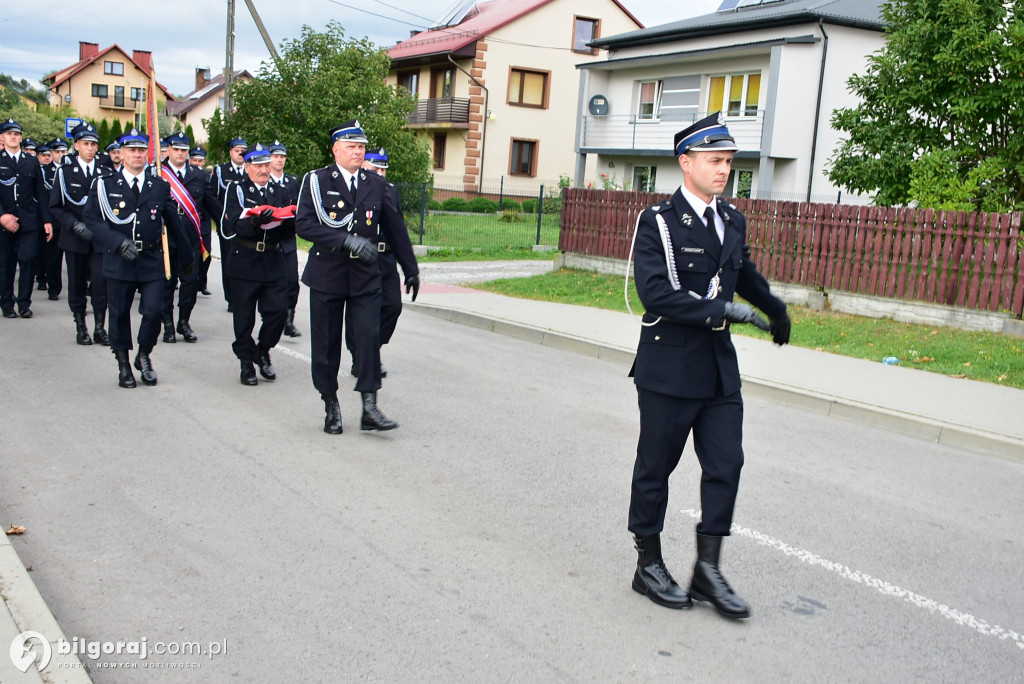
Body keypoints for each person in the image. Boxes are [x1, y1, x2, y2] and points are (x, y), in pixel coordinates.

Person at [627, 113, 791, 620]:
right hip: (669, 368)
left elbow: (744, 274)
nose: (725, 171)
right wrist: (722, 310)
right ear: (686, 162)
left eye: (729, 162)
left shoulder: (732, 220)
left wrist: (774, 306)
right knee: (657, 466)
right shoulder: (657, 222)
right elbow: (655, 293)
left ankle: (708, 568)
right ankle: (648, 564)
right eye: (715, 161)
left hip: (718, 369)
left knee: (727, 464)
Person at [295, 120, 419, 434]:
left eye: (361, 146)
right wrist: (345, 240)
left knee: (367, 339)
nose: (357, 151)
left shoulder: (375, 183)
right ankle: (331, 405)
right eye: (351, 146)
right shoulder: (316, 181)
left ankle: (369, 406)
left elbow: (395, 228)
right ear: (335, 149)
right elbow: (305, 224)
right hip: (328, 273)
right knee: (326, 345)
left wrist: (411, 268)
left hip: (365, 275)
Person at [82, 129, 195, 388]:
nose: (136, 155)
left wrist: (188, 255)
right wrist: (118, 242)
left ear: (148, 153)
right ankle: (123, 363)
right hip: (119, 258)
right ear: (120, 154)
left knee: (155, 310)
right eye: (131, 150)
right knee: (119, 313)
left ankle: (144, 354)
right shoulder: (104, 185)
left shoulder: (158, 185)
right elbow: (92, 219)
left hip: (151, 258)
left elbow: (173, 222)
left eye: (141, 150)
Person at [219, 143, 294, 385]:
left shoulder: (279, 191)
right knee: (243, 317)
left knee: (279, 311)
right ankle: (245, 362)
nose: (264, 170)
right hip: (245, 260)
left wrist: (292, 221)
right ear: (247, 166)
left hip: (272, 259)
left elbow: (287, 225)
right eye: (259, 165)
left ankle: (262, 349)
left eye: (266, 165)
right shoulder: (237, 190)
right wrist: (253, 223)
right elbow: (232, 227)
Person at [347, 147, 418, 378]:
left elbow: (398, 231)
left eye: (383, 169)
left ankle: (371, 350)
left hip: (385, 258)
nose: (380, 173)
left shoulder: (391, 191)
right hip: (361, 258)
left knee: (392, 306)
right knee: (360, 311)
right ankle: (360, 356)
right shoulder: (353, 189)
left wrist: (410, 269)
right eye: (375, 168)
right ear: (363, 167)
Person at [49, 122, 109, 346]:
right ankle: (81, 326)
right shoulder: (64, 172)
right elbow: (55, 206)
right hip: (74, 237)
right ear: (76, 145)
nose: (91, 148)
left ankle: (100, 328)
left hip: (99, 239)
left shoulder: (105, 172)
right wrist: (73, 225)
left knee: (101, 284)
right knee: (76, 284)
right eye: (86, 144)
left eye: (94, 144)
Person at [160, 131, 220, 343]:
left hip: (191, 238)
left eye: (184, 150)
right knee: (166, 284)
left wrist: (229, 225)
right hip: (166, 240)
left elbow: (212, 206)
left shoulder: (201, 176)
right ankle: (167, 324)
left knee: (190, 283)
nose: (180, 154)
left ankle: (183, 321)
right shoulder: (158, 173)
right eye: (176, 149)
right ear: (168, 150)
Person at [0, 118, 53, 319]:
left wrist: (46, 220)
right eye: (9, 133)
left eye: (16, 134)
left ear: (21, 138)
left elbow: (40, 192)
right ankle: (6, 302)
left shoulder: (30, 161)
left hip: (29, 219)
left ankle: (24, 302)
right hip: (4, 220)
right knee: (5, 263)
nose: (13, 137)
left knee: (29, 258)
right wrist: (2, 216)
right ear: (2, 137)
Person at [268, 139, 302, 337]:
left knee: (292, 282)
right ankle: (273, 317)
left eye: (282, 157)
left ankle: (289, 320)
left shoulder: (292, 182)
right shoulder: (265, 180)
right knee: (272, 282)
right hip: (271, 237)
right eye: (275, 156)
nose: (279, 160)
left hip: (288, 238)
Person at [208, 137, 247, 308]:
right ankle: (231, 298)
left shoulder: (252, 169)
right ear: (231, 152)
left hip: (247, 224)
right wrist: (222, 215)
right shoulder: (220, 171)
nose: (240, 153)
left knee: (247, 260)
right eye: (237, 150)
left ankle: (245, 295)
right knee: (229, 260)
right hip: (228, 225)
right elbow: (212, 196)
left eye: (243, 151)